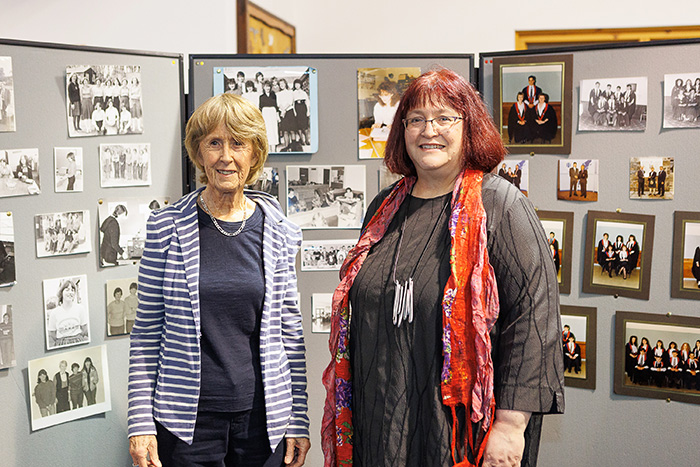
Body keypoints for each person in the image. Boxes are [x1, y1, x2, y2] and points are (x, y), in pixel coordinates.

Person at [322, 68, 564, 467]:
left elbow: (533, 319)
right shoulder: (383, 208)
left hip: (461, 430)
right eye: (415, 119)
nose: (427, 130)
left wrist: (510, 426)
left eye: (443, 118)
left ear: (469, 126)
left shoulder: (500, 204)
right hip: (380, 420)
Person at [128, 93, 310, 467]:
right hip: (187, 423)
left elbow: (290, 333)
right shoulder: (166, 227)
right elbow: (146, 333)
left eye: (238, 143)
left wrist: (298, 418)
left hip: (264, 420)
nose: (226, 156)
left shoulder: (278, 230)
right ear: (198, 152)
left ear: (254, 153)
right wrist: (140, 421)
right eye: (214, 142)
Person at [47, 279, 89, 348]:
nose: (70, 292)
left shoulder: (80, 308)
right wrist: (63, 340)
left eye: (72, 290)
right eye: (67, 290)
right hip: (61, 342)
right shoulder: (54, 312)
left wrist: (76, 338)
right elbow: (52, 333)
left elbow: (84, 328)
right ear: (61, 293)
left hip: (78, 340)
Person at [259, 81, 280, 152]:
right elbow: (260, 108)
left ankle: (273, 148)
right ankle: (268, 150)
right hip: (265, 114)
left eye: (268, 86)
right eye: (266, 86)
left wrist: (277, 116)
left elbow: (276, 105)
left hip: (273, 113)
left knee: (273, 130)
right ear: (263, 87)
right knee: (267, 130)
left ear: (270, 87)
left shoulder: (274, 95)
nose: (267, 88)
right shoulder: (261, 97)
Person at [292, 79, 310, 146]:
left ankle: (307, 140)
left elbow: (307, 102)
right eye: (295, 84)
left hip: (303, 108)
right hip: (297, 108)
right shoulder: (293, 93)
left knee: (305, 126)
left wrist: (308, 111)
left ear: (300, 84)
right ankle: (302, 140)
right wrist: (294, 112)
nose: (297, 85)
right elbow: (293, 103)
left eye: (298, 84)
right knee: (298, 126)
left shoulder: (303, 93)